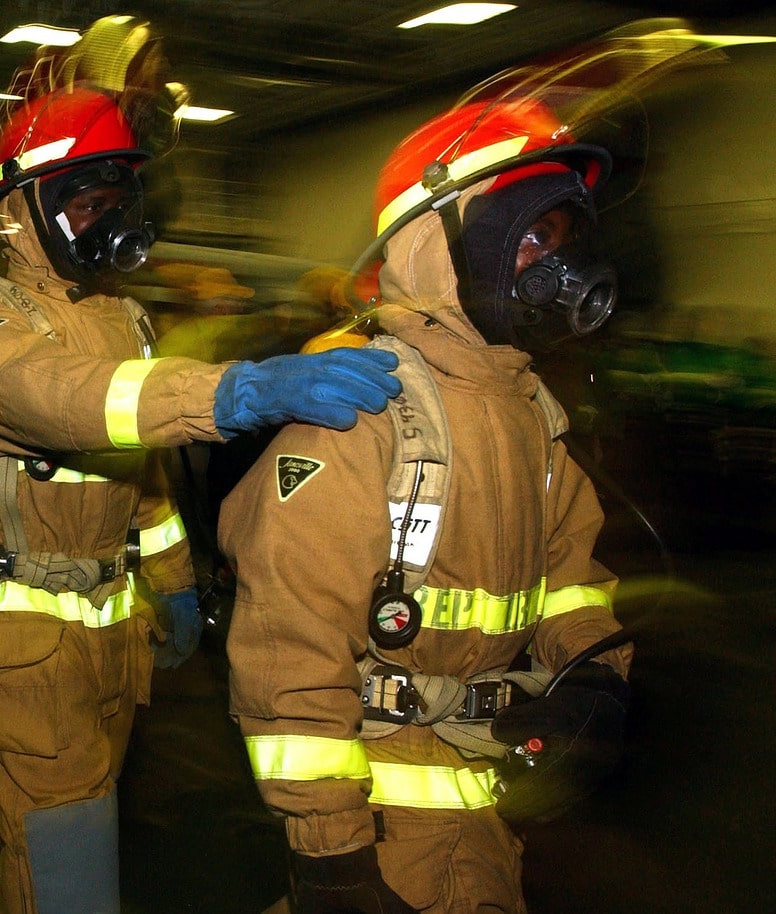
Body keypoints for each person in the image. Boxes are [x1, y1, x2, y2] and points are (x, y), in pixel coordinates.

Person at [0, 81, 402, 914]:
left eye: (122, 196)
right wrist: (232, 393)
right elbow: (65, 396)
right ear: (19, 213)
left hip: (112, 633)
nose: (112, 220)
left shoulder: (126, 320)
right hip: (18, 634)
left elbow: (140, 480)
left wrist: (176, 580)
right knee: (69, 851)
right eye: (86, 200)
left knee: (42, 817)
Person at [221, 95, 634, 914]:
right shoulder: (365, 420)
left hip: (483, 811)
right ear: (444, 248)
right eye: (533, 237)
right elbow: (289, 652)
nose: (558, 267)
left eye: (564, 238)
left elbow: (571, 574)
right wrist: (332, 857)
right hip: (381, 827)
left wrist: (595, 673)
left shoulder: (529, 418)